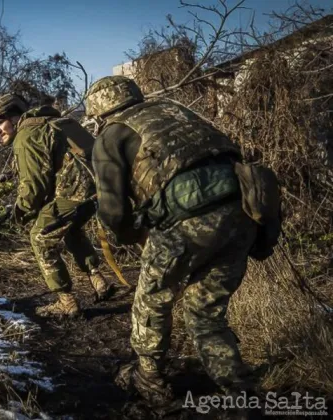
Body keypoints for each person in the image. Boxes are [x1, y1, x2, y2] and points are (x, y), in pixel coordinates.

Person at [87, 76, 259, 406]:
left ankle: (149, 379)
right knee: (206, 313)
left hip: (186, 222)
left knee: (151, 301)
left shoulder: (111, 134)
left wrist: (130, 237)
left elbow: (112, 209)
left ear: (98, 113)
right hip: (243, 212)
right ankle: (241, 395)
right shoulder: (174, 111)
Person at [0, 93, 114, 318]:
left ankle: (66, 301)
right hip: (101, 191)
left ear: (15, 118)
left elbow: (34, 186)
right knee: (70, 228)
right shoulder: (60, 122)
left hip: (75, 194)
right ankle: (98, 279)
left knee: (39, 236)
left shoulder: (26, 135)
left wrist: (21, 211)